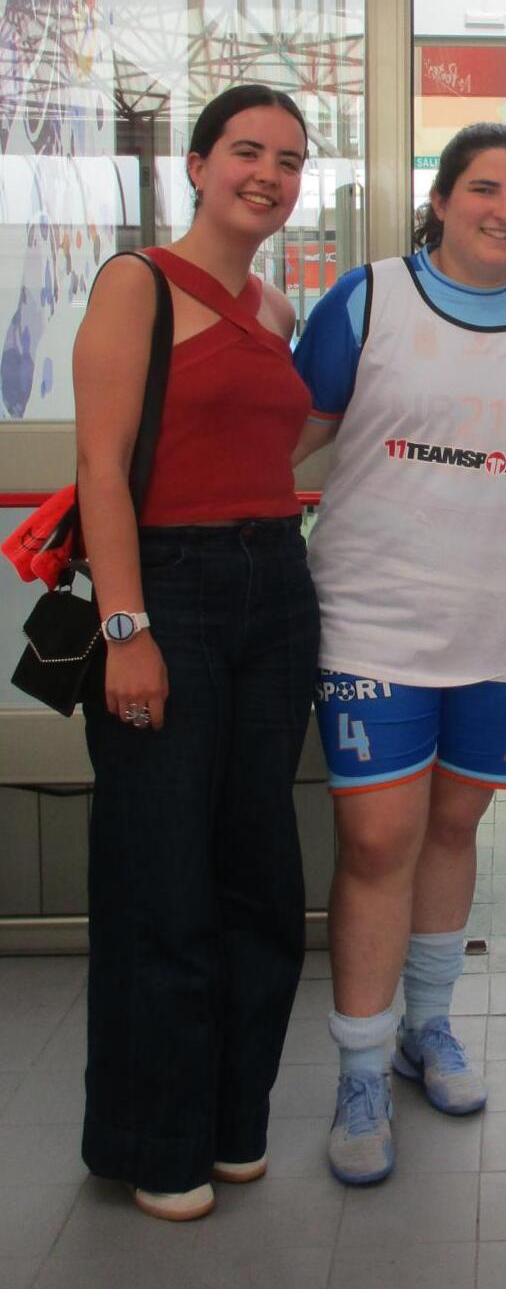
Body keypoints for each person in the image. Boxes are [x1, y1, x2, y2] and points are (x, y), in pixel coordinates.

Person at [291, 122, 506, 1184]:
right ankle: (359, 1066)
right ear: (440, 200)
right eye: (484, 188)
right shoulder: (367, 300)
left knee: (454, 823)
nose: (505, 210)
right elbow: (286, 437)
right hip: (373, 619)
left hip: (498, 623)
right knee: (378, 837)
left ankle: (426, 1027)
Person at [75, 83, 320, 1221]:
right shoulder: (137, 284)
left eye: (289, 160)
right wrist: (127, 629)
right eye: (247, 151)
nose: (267, 175)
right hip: (167, 590)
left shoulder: (276, 308)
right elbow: (100, 466)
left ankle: (232, 1120)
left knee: (261, 876)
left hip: (277, 587)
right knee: (160, 879)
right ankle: (154, 1138)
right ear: (199, 163)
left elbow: (278, 443)